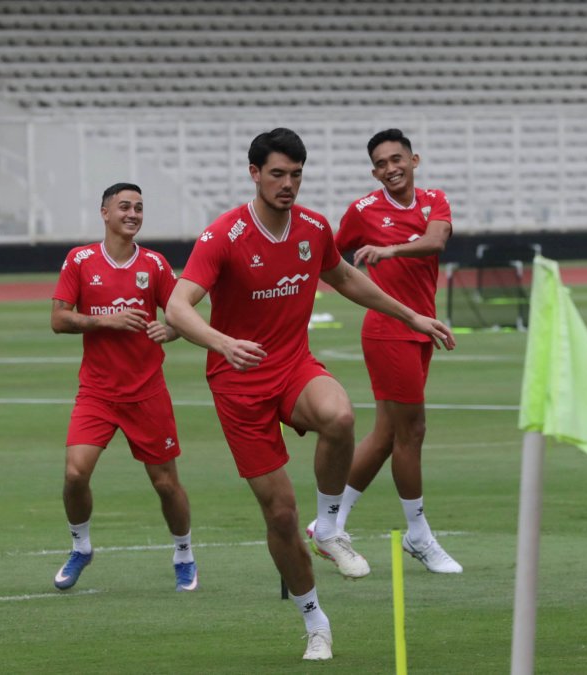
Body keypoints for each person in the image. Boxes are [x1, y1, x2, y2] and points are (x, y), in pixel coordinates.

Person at [165, 128, 455, 661]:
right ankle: (315, 619)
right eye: (277, 174)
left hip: (293, 366)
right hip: (238, 385)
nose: (288, 184)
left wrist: (412, 313)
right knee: (279, 516)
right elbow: (178, 307)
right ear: (254, 174)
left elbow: (346, 277)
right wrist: (222, 342)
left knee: (340, 416)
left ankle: (330, 527)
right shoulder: (223, 234)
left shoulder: (314, 227)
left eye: (296, 174)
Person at [308, 128, 461, 574]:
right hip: (387, 330)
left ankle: (327, 523)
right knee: (411, 431)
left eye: (397, 159)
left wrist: (388, 249)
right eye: (381, 163)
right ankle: (419, 534)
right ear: (373, 171)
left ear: (415, 160)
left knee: (386, 436)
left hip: (421, 329)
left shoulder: (435, 201)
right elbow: (330, 260)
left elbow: (435, 242)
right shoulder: (361, 211)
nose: (391, 168)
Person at [50, 183, 198, 593]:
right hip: (97, 393)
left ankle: (184, 553)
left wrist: (169, 330)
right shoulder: (79, 260)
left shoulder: (154, 264)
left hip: (147, 392)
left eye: (139, 208)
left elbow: (182, 314)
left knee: (166, 484)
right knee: (75, 473)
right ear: (105, 213)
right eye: (124, 207)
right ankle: (81, 547)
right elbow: (59, 319)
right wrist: (105, 321)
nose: (133, 214)